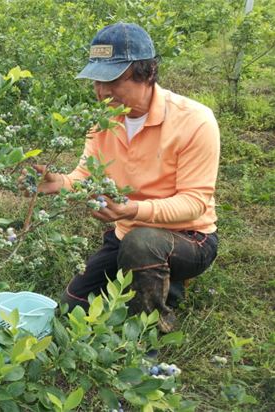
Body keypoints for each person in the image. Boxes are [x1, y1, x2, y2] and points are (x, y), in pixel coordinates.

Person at [20, 22, 220, 333]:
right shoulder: (102, 120)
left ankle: (148, 331)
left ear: (148, 73)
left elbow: (194, 204)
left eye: (112, 79)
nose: (102, 91)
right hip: (127, 234)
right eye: (96, 80)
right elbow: (86, 175)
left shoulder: (194, 121)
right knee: (72, 307)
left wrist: (133, 211)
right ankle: (152, 276)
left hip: (190, 238)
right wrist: (59, 182)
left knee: (143, 245)